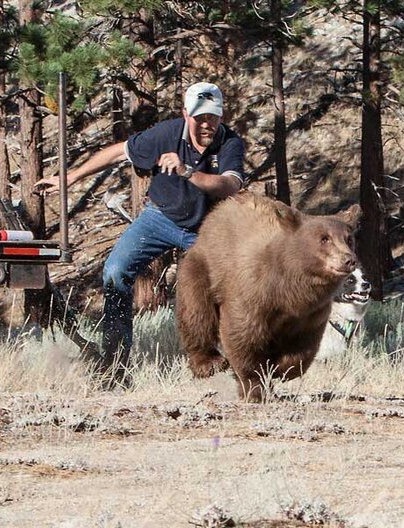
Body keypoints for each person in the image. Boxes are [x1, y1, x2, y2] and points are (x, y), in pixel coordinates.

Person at [35, 82, 246, 371]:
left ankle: (233, 362)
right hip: (160, 218)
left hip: (208, 228)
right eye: (200, 118)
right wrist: (70, 177)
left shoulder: (230, 143)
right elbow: (118, 152)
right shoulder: (167, 134)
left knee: (233, 288)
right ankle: (114, 361)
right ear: (186, 115)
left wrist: (187, 172)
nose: (207, 124)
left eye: (213, 117)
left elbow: (229, 185)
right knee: (115, 271)